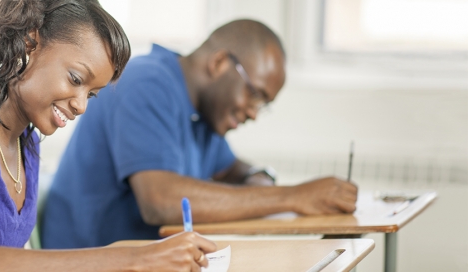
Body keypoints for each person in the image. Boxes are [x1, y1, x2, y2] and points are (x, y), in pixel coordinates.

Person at [0, 0, 216, 271]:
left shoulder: (27, 145)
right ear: (29, 44)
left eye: (92, 94)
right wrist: (135, 259)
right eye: (75, 79)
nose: (82, 105)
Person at [41, 19, 359, 249]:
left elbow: (232, 169)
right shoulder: (146, 83)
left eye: (263, 106)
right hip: (90, 260)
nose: (252, 112)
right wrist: (294, 197)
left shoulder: (204, 114)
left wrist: (258, 176)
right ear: (220, 63)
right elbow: (162, 201)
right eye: (255, 95)